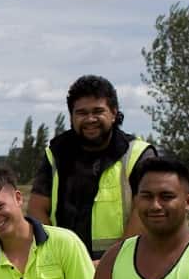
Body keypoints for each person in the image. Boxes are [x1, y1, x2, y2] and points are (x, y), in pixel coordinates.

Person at [28, 74, 156, 261]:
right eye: (81, 113)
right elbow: (37, 210)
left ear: (113, 113)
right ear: (71, 116)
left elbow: (145, 213)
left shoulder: (138, 155)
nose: (90, 119)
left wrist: (110, 263)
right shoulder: (56, 154)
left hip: (126, 266)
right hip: (65, 266)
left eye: (98, 111)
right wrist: (54, 255)